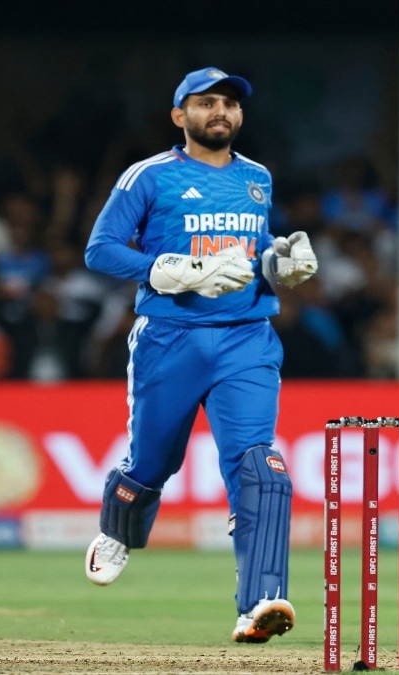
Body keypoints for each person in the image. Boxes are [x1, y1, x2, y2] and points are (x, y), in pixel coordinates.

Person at [82, 67, 318, 644]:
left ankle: (259, 602)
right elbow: (100, 250)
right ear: (179, 115)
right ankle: (118, 527)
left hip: (247, 339)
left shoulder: (257, 177)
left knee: (259, 468)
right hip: (171, 338)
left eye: (230, 104)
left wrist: (278, 264)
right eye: (206, 102)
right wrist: (166, 270)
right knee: (151, 463)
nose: (220, 112)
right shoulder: (149, 175)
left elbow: (251, 254)